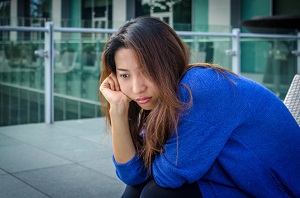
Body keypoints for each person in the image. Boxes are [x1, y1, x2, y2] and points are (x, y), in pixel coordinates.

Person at [99, 16, 300, 198]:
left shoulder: (198, 88)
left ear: (167, 62)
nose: (137, 87)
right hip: (235, 179)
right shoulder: (166, 97)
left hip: (279, 190)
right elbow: (132, 176)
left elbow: (167, 177)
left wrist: (149, 164)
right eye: (125, 75)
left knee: (157, 194)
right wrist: (117, 110)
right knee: (137, 190)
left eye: (147, 71)